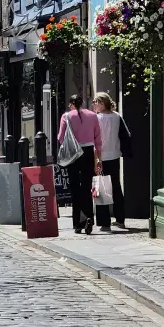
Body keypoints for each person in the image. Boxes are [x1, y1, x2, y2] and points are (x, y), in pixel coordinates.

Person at [58, 94, 102, 234]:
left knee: (75, 188)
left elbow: (60, 137)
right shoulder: (92, 116)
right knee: (87, 187)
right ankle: (89, 217)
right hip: (88, 152)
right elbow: (98, 138)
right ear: (82, 103)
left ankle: (78, 223)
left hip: (73, 153)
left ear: (71, 104)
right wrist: (98, 158)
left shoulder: (66, 116)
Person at [93, 92, 132, 230]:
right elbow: (126, 135)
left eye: (96, 102)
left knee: (102, 188)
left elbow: (95, 140)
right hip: (114, 156)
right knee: (116, 187)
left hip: (101, 157)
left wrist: (96, 159)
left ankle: (105, 222)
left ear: (102, 103)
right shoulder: (117, 116)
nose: (94, 105)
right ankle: (120, 219)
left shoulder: (96, 118)